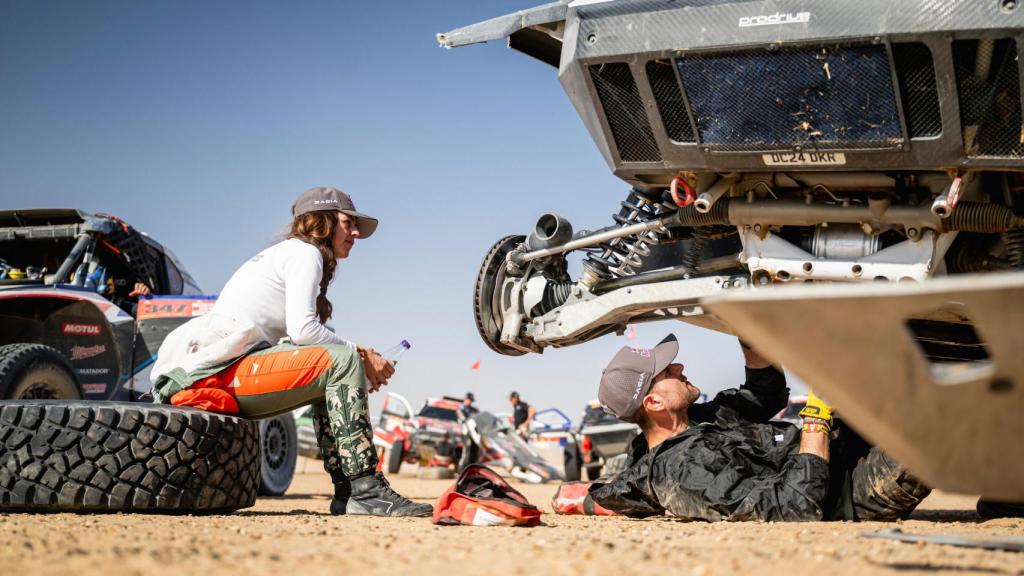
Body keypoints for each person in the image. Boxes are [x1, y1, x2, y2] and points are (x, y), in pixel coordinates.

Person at [150, 186, 432, 518]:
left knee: (336, 362)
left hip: (215, 372)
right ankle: (364, 490)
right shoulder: (304, 253)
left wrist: (355, 364)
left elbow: (304, 342)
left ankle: (349, 492)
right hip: (204, 378)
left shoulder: (289, 254)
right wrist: (361, 356)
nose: (355, 233)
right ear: (323, 221)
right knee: (340, 360)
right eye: (348, 222)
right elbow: (304, 332)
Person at [582, 334, 930, 521]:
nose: (679, 367)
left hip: (852, 442)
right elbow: (794, 506)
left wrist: (747, 328)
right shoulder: (684, 473)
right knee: (946, 429)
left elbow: (764, 394)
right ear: (654, 404)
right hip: (854, 489)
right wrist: (818, 412)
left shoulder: (704, 417)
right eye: (666, 372)